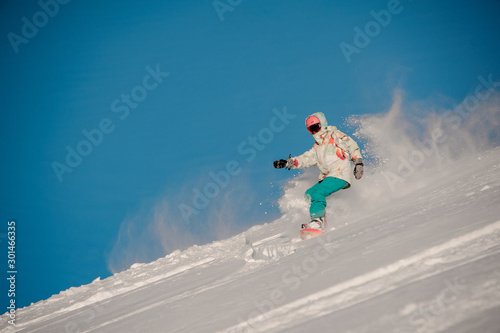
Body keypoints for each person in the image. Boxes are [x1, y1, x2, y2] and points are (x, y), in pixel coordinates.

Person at [273, 112, 364, 231]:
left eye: (316, 127)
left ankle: (318, 220)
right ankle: (322, 220)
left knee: (319, 193)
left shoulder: (334, 135)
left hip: (340, 174)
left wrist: (358, 162)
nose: (315, 131)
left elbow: (351, 145)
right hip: (329, 177)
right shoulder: (317, 147)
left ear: (323, 124)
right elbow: (305, 159)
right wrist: (287, 162)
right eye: (311, 129)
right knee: (309, 194)